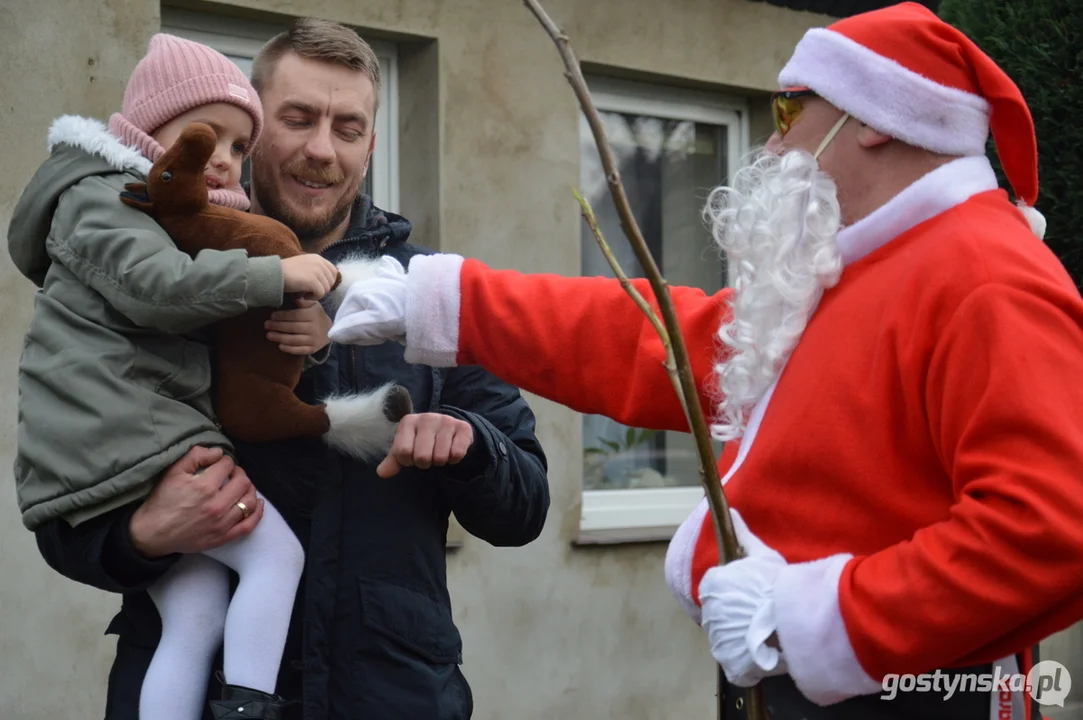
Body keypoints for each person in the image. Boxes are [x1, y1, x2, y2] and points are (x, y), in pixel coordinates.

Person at [328, 3, 1083, 719]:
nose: (775, 144)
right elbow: (659, 340)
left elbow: (1051, 524)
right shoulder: (864, 271)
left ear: (873, 123)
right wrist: (446, 300)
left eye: (789, 111)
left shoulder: (985, 278)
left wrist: (822, 616)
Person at [26, 18, 550, 720]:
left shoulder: (432, 292)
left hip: (388, 696)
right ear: (247, 130)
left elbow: (525, 507)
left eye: (348, 127)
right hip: (191, 689)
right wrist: (136, 537)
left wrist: (471, 447)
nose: (320, 149)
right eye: (296, 119)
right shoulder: (149, 271)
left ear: (369, 147)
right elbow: (69, 474)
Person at [7, 32, 407, 720]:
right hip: (136, 444)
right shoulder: (108, 200)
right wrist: (275, 275)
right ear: (148, 126)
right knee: (275, 560)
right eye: (210, 137)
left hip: (382, 677)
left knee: (193, 618)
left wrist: (311, 338)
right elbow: (164, 290)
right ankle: (249, 708)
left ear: (371, 144)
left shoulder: (415, 284)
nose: (223, 159)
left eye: (235, 147)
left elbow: (215, 329)